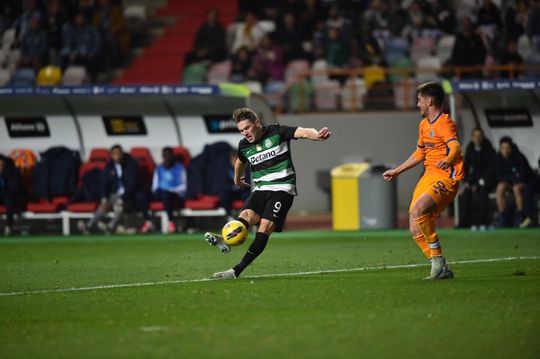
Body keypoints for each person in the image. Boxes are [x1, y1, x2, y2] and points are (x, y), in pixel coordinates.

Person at [205, 107, 331, 279]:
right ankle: (226, 240)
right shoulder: (244, 145)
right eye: (241, 130)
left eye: (247, 128)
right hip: (261, 189)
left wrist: (317, 135)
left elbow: (303, 132)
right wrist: (237, 179)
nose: (245, 133)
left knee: (264, 227)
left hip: (282, 189)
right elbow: (240, 163)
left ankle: (235, 271)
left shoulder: (277, 132)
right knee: (246, 216)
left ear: (257, 123)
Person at [383, 82, 463, 280]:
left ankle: (437, 262)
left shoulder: (445, 123)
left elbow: (456, 148)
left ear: (429, 101)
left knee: (418, 210)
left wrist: (448, 160)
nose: (417, 104)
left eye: (419, 100)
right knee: (414, 227)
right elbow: (420, 153)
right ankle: (441, 265)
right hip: (428, 177)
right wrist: (397, 171)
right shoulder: (424, 125)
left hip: (446, 177)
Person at [78, 145, 138, 235]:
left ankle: (110, 227)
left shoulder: (131, 165)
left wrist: (122, 199)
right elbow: (104, 184)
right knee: (102, 206)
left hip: (127, 196)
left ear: (122, 154)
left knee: (119, 207)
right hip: (113, 195)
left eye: (118, 153)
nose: (116, 156)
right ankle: (89, 226)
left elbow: (132, 185)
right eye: (114, 154)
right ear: (111, 155)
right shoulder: (109, 167)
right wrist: (104, 199)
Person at [139, 147, 187, 234]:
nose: (167, 157)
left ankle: (171, 222)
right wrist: (155, 191)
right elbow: (155, 184)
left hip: (174, 193)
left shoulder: (179, 167)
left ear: (172, 156)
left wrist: (170, 190)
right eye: (165, 155)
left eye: (168, 155)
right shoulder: (159, 168)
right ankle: (148, 221)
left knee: (166, 195)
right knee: (141, 195)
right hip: (160, 192)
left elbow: (183, 185)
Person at [493, 136, 534, 228]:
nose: (505, 151)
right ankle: (503, 216)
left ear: (511, 148)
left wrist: (513, 179)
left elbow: (523, 174)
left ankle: (520, 216)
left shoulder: (519, 157)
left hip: (522, 182)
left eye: (507, 148)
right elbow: (499, 176)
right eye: (503, 148)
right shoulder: (497, 158)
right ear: (500, 148)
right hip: (510, 182)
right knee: (500, 188)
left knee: (516, 188)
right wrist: (512, 178)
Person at [460, 127, 496, 230]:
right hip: (474, 179)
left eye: (479, 136)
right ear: (472, 137)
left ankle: (482, 222)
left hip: (488, 180)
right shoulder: (470, 148)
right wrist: (466, 181)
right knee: (465, 193)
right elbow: (465, 167)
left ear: (483, 137)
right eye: (475, 136)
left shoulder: (489, 149)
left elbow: (491, 169)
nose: (477, 138)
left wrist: (480, 183)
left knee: (482, 192)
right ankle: (465, 222)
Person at [0, 155, 21, 236]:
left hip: (9, 196)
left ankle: (9, 226)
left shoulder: (13, 173)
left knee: (10, 201)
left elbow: (14, 190)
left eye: (1, 164)